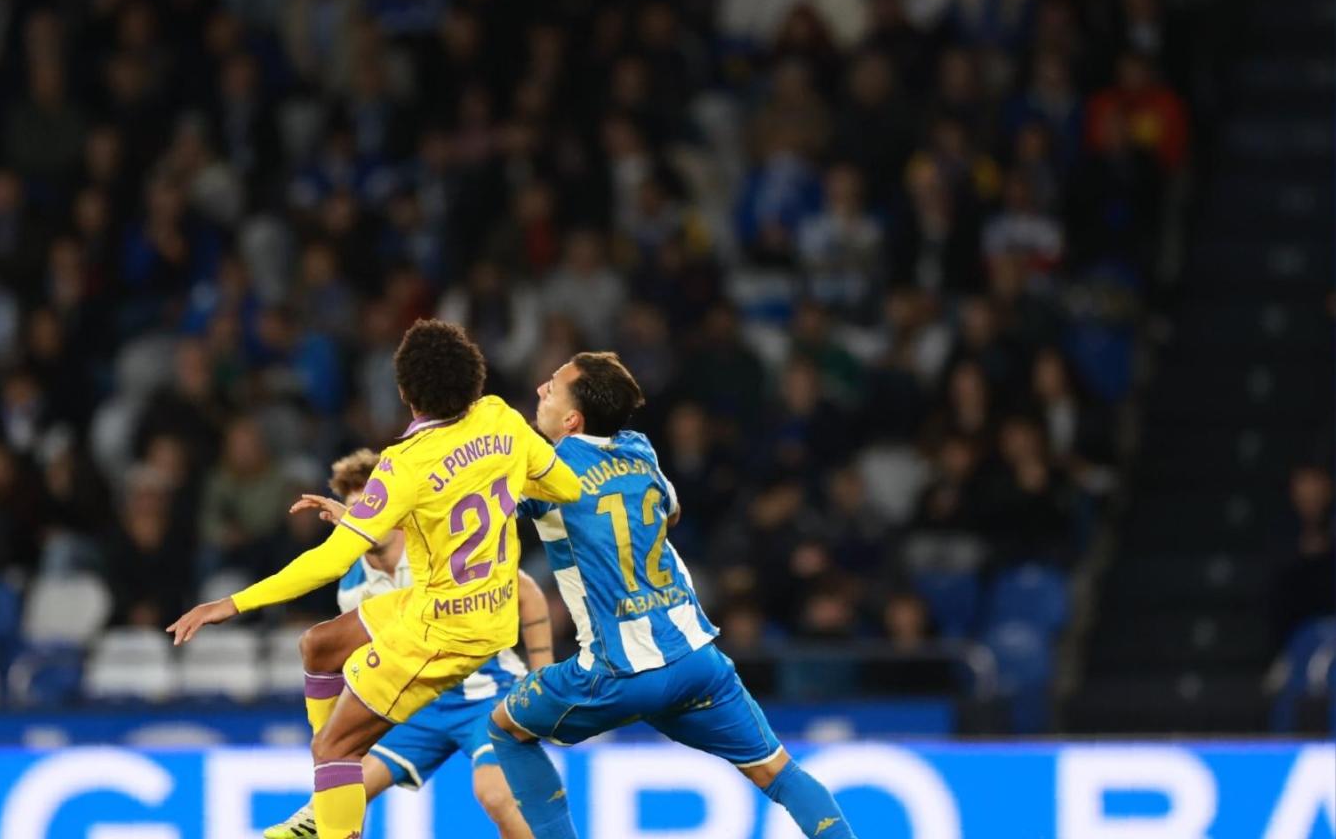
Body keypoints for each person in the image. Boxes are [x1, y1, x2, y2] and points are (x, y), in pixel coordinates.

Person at [168, 319, 581, 839]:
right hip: (473, 609)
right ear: (476, 379)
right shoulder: (502, 418)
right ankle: (332, 794)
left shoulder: (403, 465)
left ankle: (333, 809)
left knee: (334, 747)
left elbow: (326, 563)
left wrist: (230, 604)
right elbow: (563, 485)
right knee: (319, 645)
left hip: (446, 631)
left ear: (407, 394)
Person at [488, 352, 856, 839]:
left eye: (552, 387)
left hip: (617, 672)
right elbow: (671, 513)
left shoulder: (545, 471)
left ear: (573, 419)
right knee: (780, 774)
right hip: (696, 660)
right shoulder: (640, 450)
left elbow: (483, 519)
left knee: (505, 729)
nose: (540, 390)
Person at [265, 448, 554, 838]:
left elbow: (528, 593)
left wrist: (541, 677)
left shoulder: (440, 545)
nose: (360, 521)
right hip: (418, 707)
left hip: (486, 693)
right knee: (345, 783)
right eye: (351, 513)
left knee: (497, 796)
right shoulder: (352, 588)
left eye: (368, 509)